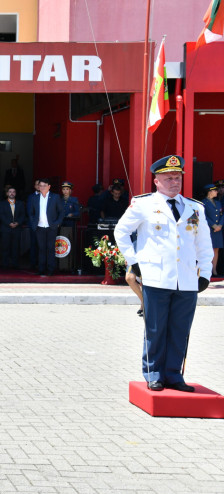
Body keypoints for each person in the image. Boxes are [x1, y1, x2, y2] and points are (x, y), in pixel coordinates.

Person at [115, 155, 213, 392]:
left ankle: (174, 375)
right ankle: (154, 373)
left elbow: (204, 243)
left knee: (180, 329)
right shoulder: (143, 205)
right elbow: (121, 231)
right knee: (156, 329)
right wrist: (134, 261)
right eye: (168, 178)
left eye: (177, 177)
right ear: (156, 180)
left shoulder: (194, 207)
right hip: (156, 277)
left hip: (187, 279)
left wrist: (206, 273)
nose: (174, 182)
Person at [27, 178, 64, 276]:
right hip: (39, 227)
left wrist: (57, 223)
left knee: (51, 248)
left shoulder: (55, 197)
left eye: (44, 186)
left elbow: (61, 212)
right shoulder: (35, 198)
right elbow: (31, 213)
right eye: (40, 186)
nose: (42, 188)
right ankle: (41, 269)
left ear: (49, 186)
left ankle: (51, 269)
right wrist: (33, 222)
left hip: (51, 227)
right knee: (41, 248)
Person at [0, 187, 27, 269]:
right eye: (10, 192)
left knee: (15, 247)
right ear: (7, 193)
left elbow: (23, 215)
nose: (12, 193)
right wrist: (9, 223)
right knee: (5, 247)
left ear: (15, 193)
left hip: (17, 228)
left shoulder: (20, 203)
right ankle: (4, 264)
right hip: (5, 228)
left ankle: (15, 264)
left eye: (13, 192)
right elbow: (1, 215)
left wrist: (17, 223)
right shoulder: (2, 203)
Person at [202, 183, 223, 274]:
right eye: (215, 190)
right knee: (208, 249)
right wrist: (213, 225)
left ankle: (214, 269)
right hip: (209, 229)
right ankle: (208, 270)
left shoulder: (218, 202)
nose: (217, 192)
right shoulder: (203, 202)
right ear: (209, 192)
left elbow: (222, 214)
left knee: (216, 249)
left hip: (218, 230)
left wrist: (220, 225)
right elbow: (204, 216)